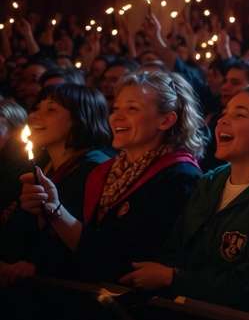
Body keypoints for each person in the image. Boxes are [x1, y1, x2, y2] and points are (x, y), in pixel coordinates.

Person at [117, 85, 249, 310]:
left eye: (240, 115)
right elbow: (176, 246)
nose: (222, 121)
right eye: (225, 113)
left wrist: (173, 278)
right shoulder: (210, 182)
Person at [20, 70, 203, 282]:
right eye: (116, 108)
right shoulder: (104, 171)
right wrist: (49, 210)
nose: (117, 116)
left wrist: (58, 213)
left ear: (166, 120)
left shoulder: (179, 177)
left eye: (132, 109)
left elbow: (124, 258)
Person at [2, 85, 112, 283]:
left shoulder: (97, 169)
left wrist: (37, 264)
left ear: (80, 118)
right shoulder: (46, 166)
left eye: (51, 110)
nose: (34, 116)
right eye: (36, 108)